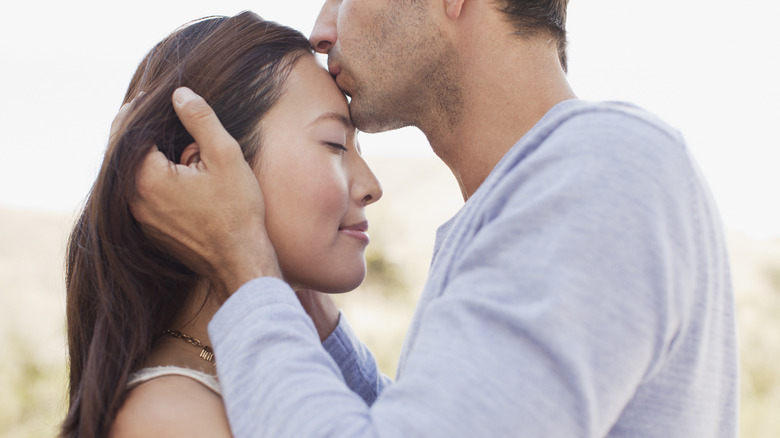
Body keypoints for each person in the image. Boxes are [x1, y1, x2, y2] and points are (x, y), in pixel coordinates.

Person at [130, 0, 739, 436]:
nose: (321, 30)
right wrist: (309, 316)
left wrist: (245, 268)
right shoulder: (547, 191)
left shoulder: (595, 170)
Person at [60, 11, 382, 437]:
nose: (372, 186)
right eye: (335, 144)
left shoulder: (224, 389)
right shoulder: (172, 419)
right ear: (200, 169)